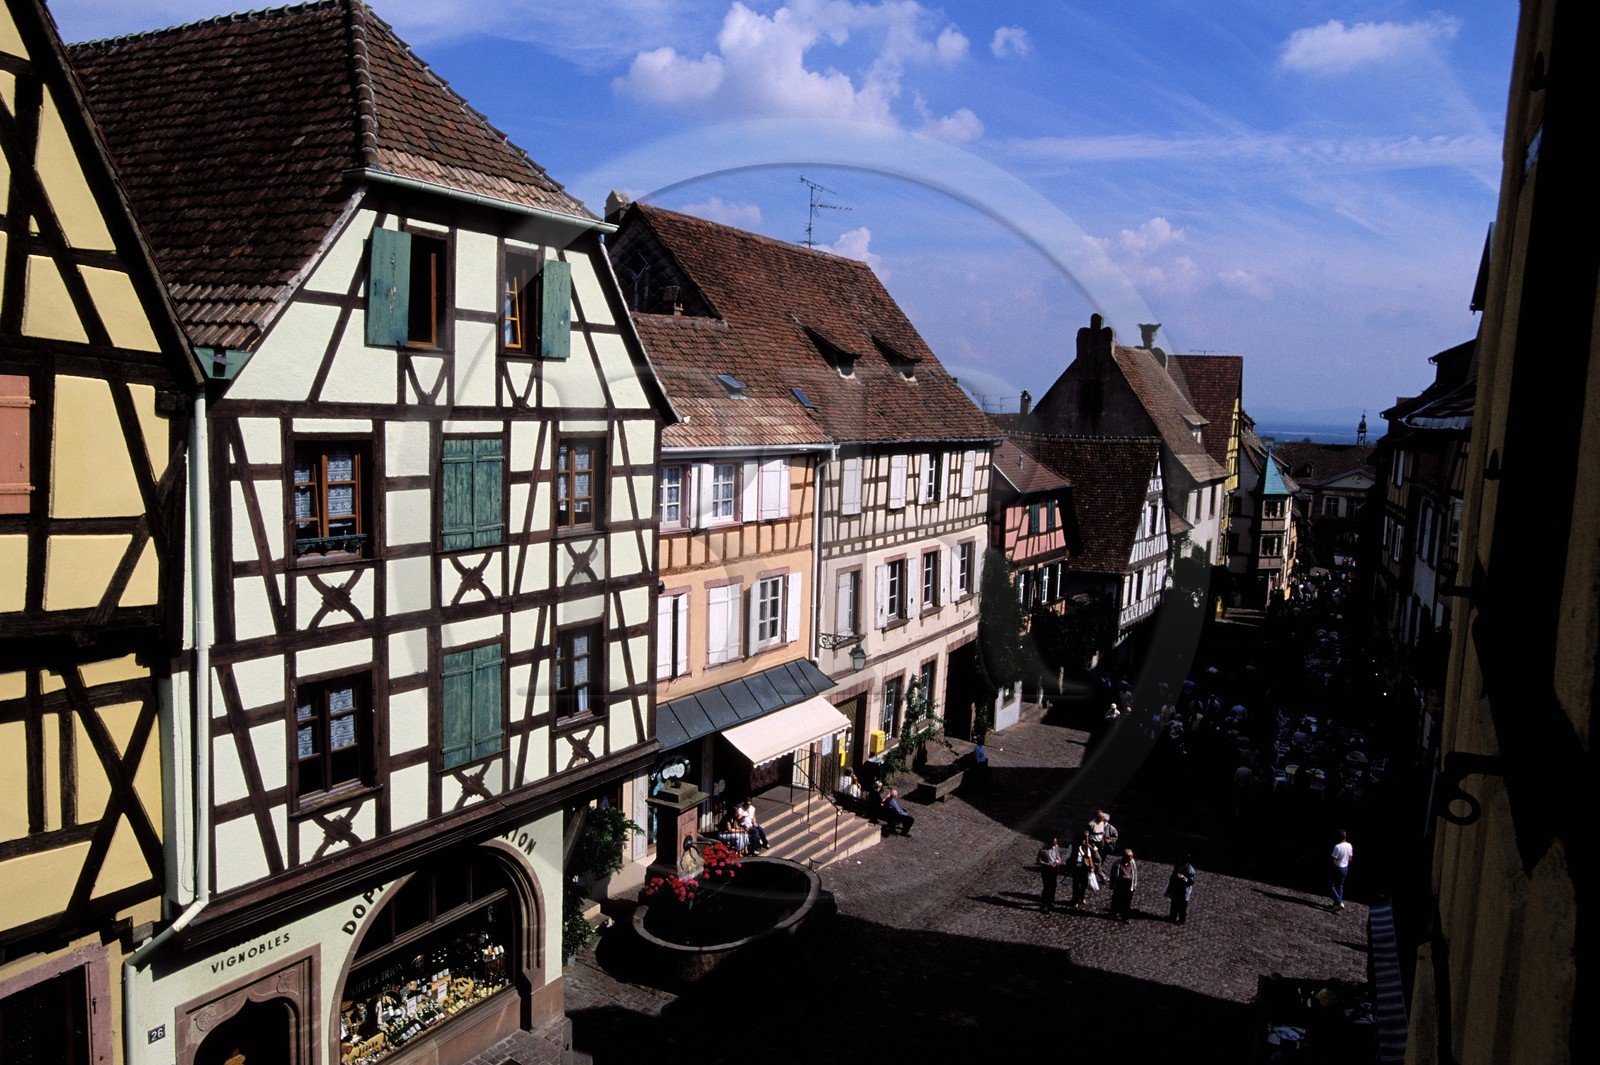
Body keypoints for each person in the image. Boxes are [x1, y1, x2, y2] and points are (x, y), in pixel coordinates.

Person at [1107, 848, 1139, 924]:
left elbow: (1135, 873)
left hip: (1128, 885)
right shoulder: (1118, 862)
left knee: (1127, 902)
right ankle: (1114, 913)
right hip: (1119, 885)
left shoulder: (1132, 862)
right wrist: (1111, 883)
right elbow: (1113, 873)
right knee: (1116, 899)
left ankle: (1125, 917)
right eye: (1130, 857)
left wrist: (1134, 884)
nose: (1131, 859)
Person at [1068, 830, 1098, 909]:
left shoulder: (1085, 847)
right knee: (1076, 885)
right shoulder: (1073, 846)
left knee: (1084, 884)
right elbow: (1068, 857)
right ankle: (1075, 900)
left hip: (1084, 868)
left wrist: (1091, 867)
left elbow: (1089, 856)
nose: (1085, 841)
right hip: (1076, 868)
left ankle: (1081, 897)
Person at [1036, 838, 1065, 913]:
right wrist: (1048, 864)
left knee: (1053, 885)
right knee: (1046, 887)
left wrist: (1059, 860)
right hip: (1046, 871)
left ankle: (1051, 901)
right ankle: (1044, 904)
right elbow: (1038, 861)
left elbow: (1057, 856)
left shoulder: (1056, 847)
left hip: (1054, 869)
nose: (1055, 844)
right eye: (1054, 842)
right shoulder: (1042, 850)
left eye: (1055, 842)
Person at [1165, 857, 1196, 924]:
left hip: (1184, 890)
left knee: (1182, 906)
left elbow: (1191, 882)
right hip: (1177, 888)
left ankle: (1181, 920)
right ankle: (1172, 917)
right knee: (1174, 904)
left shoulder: (1190, 870)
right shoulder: (1178, 866)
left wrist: (1183, 878)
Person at [1330, 829, 1353, 911]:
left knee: (1331, 885)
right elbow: (1350, 858)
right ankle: (1336, 903)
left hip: (1338, 868)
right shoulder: (1350, 845)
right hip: (1345, 867)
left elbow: (1333, 859)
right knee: (1340, 886)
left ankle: (1338, 902)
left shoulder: (1337, 847)